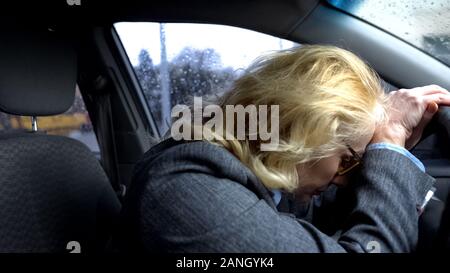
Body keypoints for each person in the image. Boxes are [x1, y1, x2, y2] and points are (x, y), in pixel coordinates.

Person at [118, 45, 450, 252]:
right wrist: (389, 146)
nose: (344, 177)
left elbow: (338, 208)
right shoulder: (186, 188)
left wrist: (389, 153)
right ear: (301, 134)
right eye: (349, 159)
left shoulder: (268, 173)